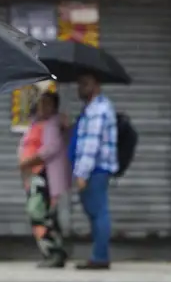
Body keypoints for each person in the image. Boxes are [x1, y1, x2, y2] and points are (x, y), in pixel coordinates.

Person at [69, 73, 118, 270]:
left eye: (85, 84)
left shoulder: (98, 109)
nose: (80, 88)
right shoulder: (93, 108)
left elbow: (91, 144)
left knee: (98, 213)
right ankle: (100, 254)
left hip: (95, 169)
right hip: (95, 169)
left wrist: (82, 173)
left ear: (96, 86)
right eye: (80, 83)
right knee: (95, 212)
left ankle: (100, 257)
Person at [18, 92, 70, 268]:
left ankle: (54, 252)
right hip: (32, 176)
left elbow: (51, 148)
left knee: (40, 213)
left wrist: (29, 161)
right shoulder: (34, 123)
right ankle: (49, 252)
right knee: (38, 213)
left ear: (54, 107)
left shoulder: (54, 124)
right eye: (41, 104)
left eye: (47, 104)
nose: (43, 107)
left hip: (44, 176)